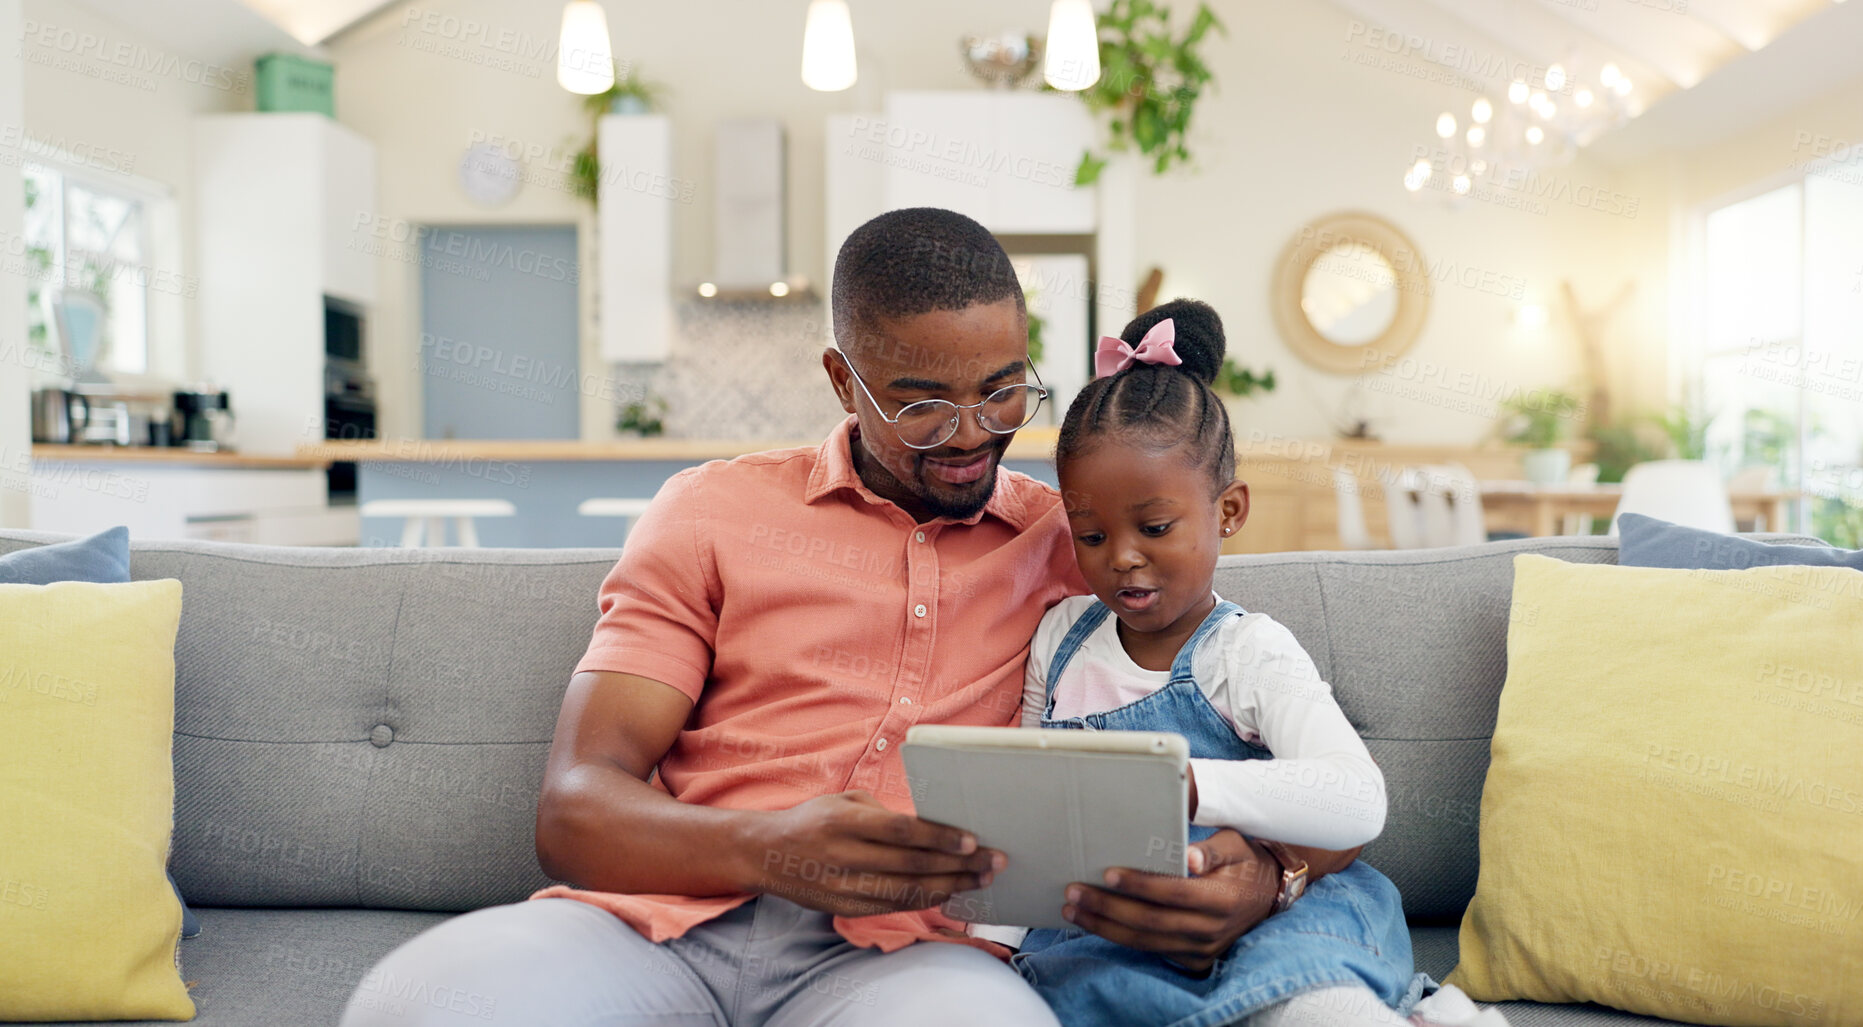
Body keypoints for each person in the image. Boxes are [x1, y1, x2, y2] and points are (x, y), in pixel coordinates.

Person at [339, 209, 1332, 1027]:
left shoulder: (1070, 541)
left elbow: (1262, 708)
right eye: (921, 405)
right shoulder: (711, 510)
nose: (972, 436)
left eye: (1001, 393)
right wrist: (767, 847)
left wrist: (1264, 877)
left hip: (909, 965)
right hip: (654, 926)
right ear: (840, 379)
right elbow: (575, 806)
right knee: (412, 1005)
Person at [973, 299, 1507, 1027]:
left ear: (1227, 511)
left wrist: (1178, 786)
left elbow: (1357, 797)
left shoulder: (1245, 650)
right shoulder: (1059, 638)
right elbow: (1024, 814)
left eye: (1154, 527)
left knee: (1310, 1005)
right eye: (1090, 533)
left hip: (1270, 927)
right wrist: (987, 951)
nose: (1121, 555)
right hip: (1108, 939)